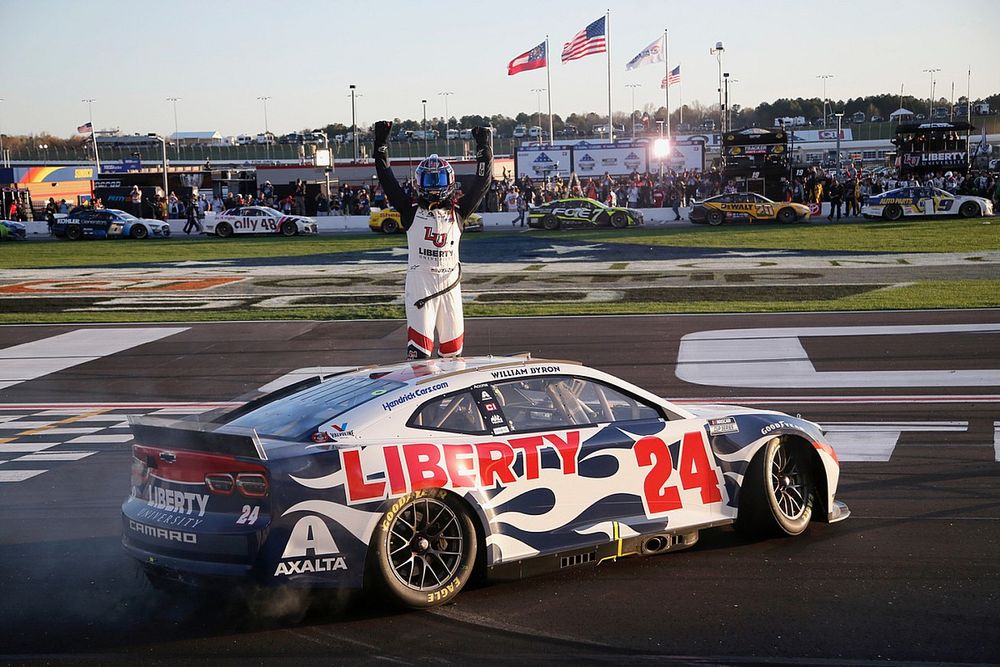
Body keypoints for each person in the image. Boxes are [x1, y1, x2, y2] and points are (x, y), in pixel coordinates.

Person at [373, 119, 493, 359]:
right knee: (419, 352)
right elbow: (387, 179)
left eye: (438, 180)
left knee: (453, 351)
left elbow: (483, 182)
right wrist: (381, 143)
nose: (435, 186)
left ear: (449, 182)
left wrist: (484, 146)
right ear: (419, 182)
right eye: (430, 180)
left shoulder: (458, 212)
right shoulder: (411, 210)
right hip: (421, 284)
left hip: (450, 284)